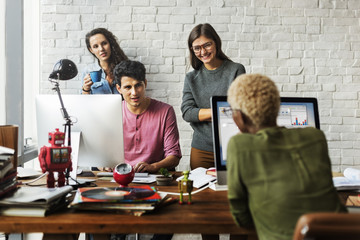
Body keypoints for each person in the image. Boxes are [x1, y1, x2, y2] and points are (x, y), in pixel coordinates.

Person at [226, 74, 347, 240]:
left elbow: (241, 218)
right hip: (340, 233)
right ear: (276, 106)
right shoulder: (316, 136)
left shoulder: (239, 145)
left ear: (238, 116)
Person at [181, 23, 246, 170]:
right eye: (197, 48)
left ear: (216, 42)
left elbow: (240, 108)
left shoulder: (236, 70)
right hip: (201, 148)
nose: (203, 51)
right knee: (200, 192)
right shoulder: (191, 78)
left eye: (207, 45)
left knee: (231, 190)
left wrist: (202, 113)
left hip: (231, 144)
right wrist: (217, 111)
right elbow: (187, 112)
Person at [115, 60, 182, 173]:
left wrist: (154, 167)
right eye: (128, 87)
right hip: (121, 176)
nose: (134, 92)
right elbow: (101, 152)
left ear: (145, 83)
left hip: (155, 176)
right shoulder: (114, 112)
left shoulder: (165, 111)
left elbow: (174, 156)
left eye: (138, 85)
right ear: (119, 89)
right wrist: (104, 165)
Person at [81, 28, 128, 94]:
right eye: (95, 46)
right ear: (91, 50)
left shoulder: (125, 68)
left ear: (110, 44)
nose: (101, 49)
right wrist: (86, 89)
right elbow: (84, 101)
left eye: (104, 43)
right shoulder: (88, 71)